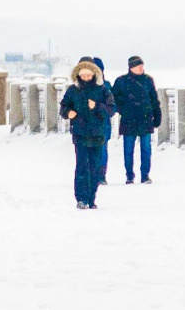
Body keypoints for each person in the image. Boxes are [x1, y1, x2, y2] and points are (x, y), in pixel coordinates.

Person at [59, 57, 115, 207]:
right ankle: (81, 199)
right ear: (78, 75)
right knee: (82, 166)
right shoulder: (73, 90)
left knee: (95, 167)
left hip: (97, 133)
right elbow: (63, 107)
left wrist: (97, 106)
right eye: (83, 75)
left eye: (88, 75)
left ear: (94, 74)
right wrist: (68, 112)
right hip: (80, 133)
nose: (85, 78)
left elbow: (111, 109)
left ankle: (91, 198)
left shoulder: (102, 90)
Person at [111, 55, 162, 183]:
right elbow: (112, 99)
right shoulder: (121, 81)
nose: (141, 68)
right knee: (128, 150)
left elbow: (154, 100)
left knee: (146, 148)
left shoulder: (148, 80)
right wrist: (123, 109)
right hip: (129, 119)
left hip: (145, 118)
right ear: (131, 67)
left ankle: (145, 175)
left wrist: (157, 115)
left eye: (142, 66)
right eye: (138, 66)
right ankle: (129, 175)